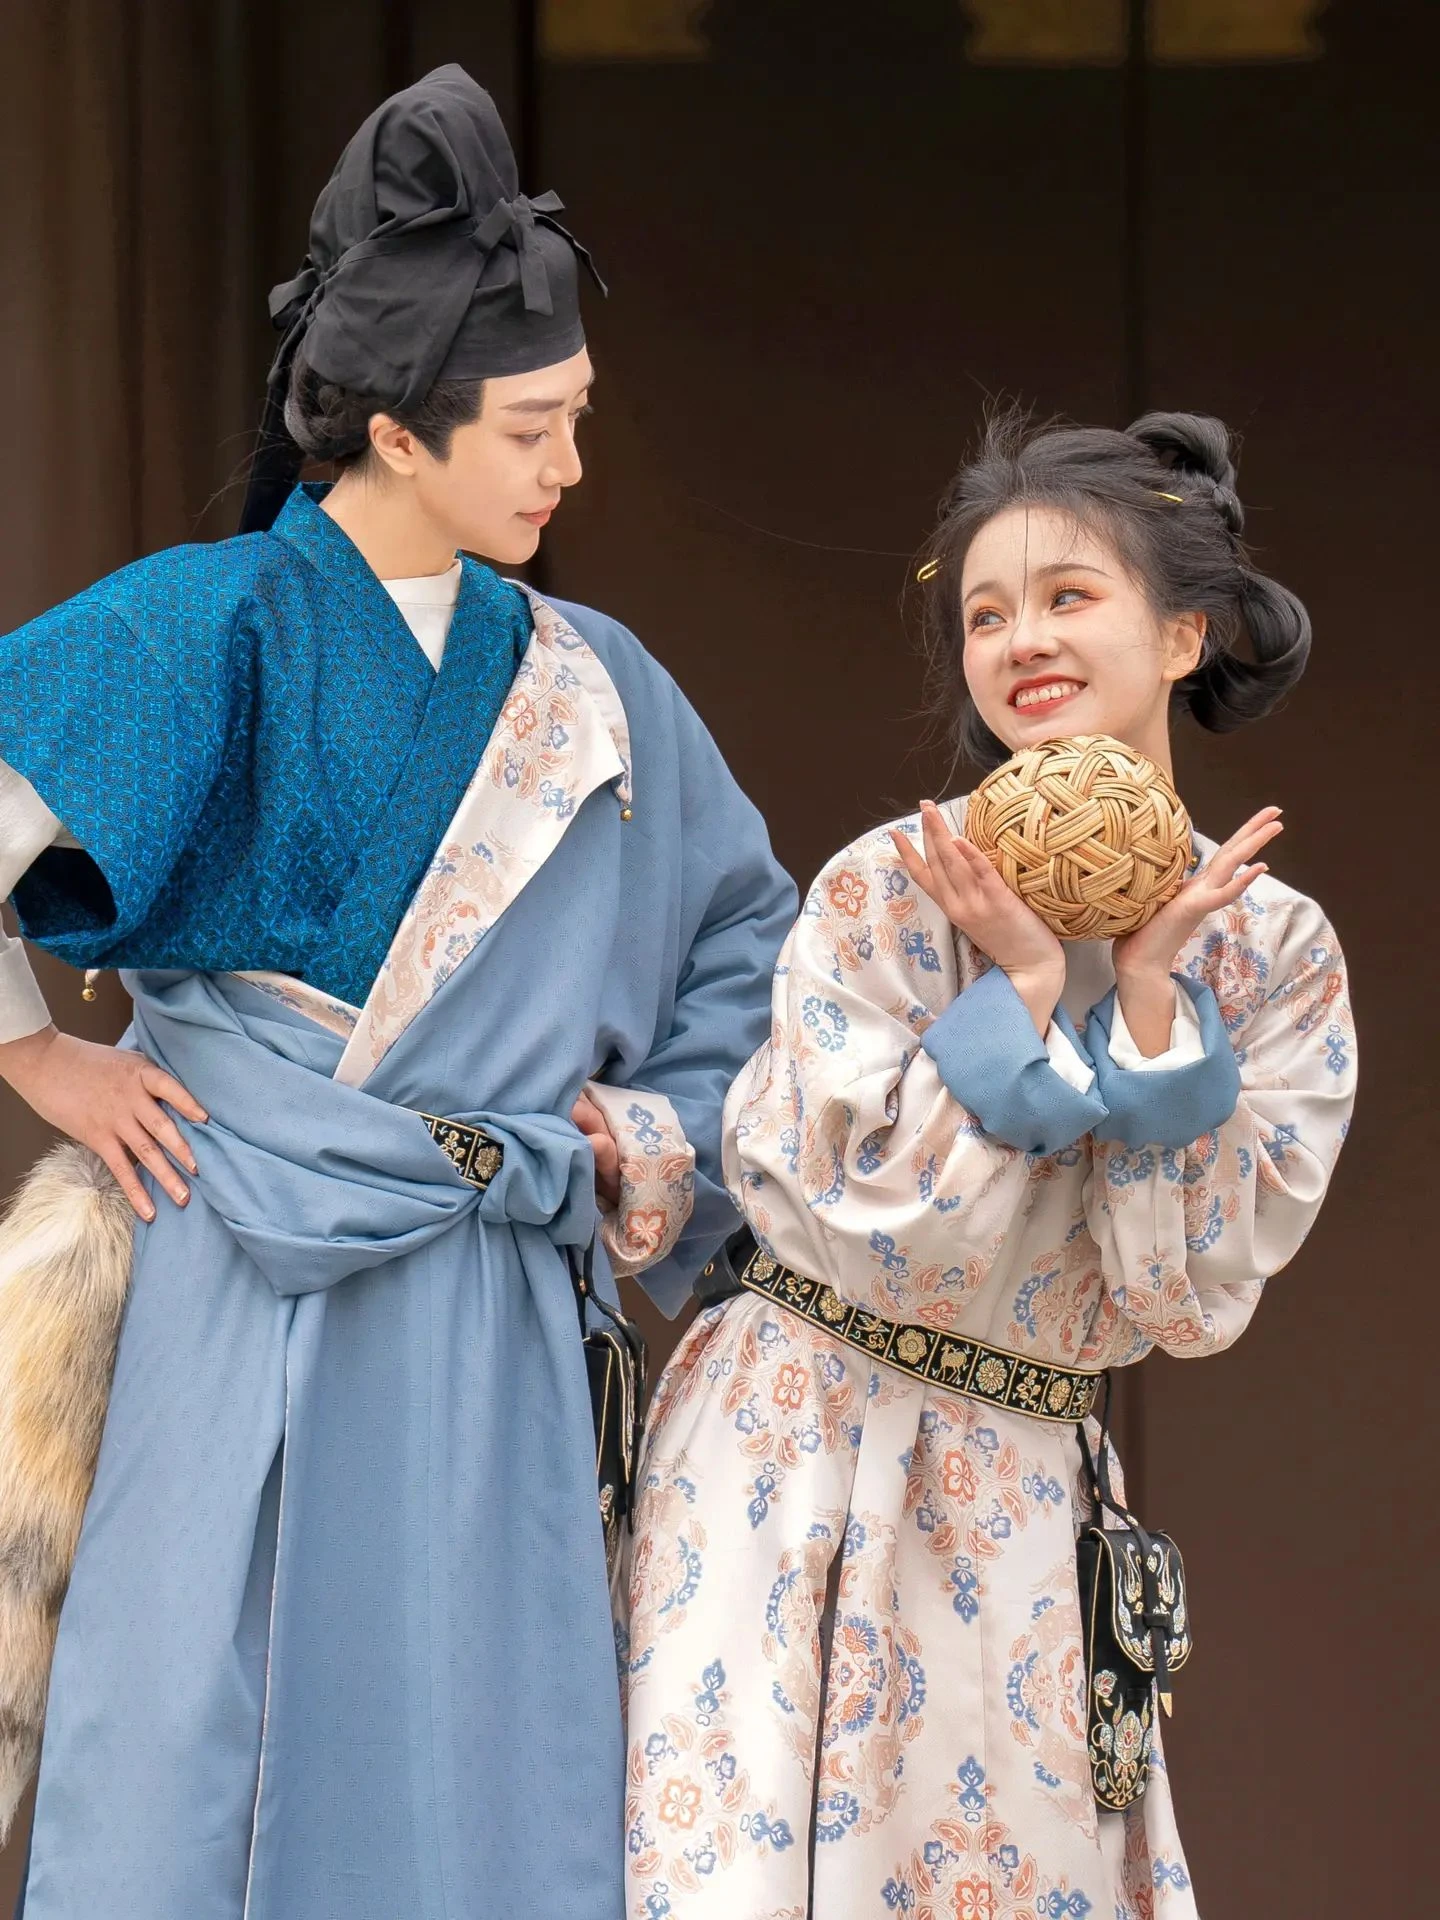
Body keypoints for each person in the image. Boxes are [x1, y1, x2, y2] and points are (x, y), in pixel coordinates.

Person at [0, 65, 795, 1919]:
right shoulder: (205, 625)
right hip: (229, 1251)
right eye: (532, 426)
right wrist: (40, 1058)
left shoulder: (598, 686)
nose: (570, 465)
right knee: (196, 1731)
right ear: (394, 430)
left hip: (491, 1297)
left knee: (476, 1768)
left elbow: (746, 942)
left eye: (577, 416)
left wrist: (636, 1139)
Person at [624, 409, 1356, 1918]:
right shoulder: (884, 891)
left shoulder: (1273, 949)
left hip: (1028, 1483)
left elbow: (1185, 1292)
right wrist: (1018, 988)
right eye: (984, 612)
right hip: (793, 1443)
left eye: (1069, 596)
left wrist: (1150, 1005)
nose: (1022, 639)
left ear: (1184, 635)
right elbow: (874, 1226)